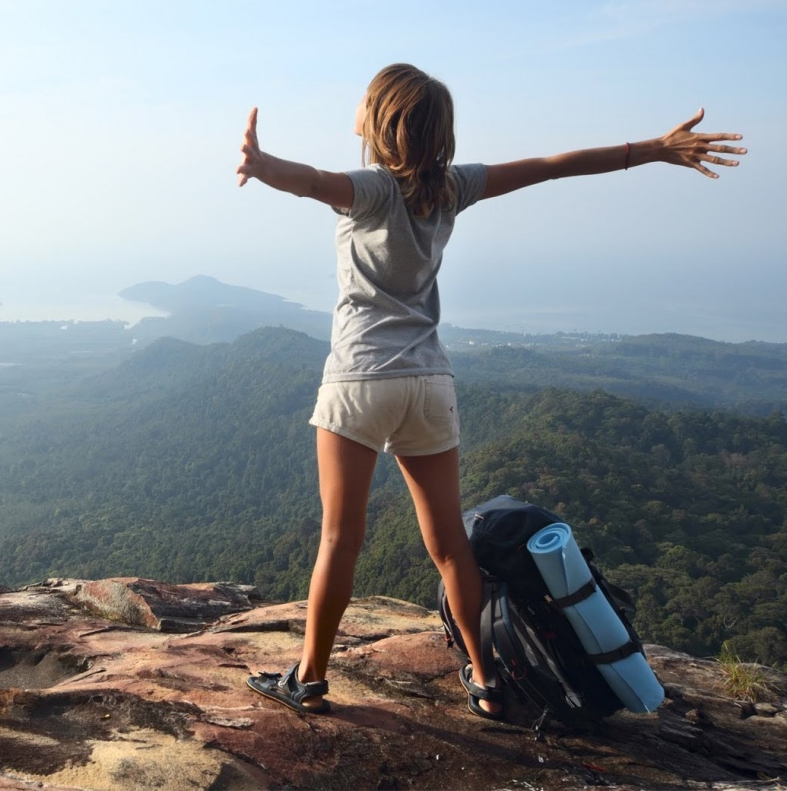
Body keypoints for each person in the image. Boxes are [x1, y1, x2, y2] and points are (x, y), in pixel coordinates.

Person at [236, 63, 745, 719]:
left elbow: (308, 182)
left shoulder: (368, 189)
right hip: (428, 383)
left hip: (360, 379)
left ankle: (307, 678)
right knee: (449, 543)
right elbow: (551, 165)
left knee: (340, 539)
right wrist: (651, 150)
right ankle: (484, 678)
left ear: (380, 123)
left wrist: (262, 162)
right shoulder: (453, 188)